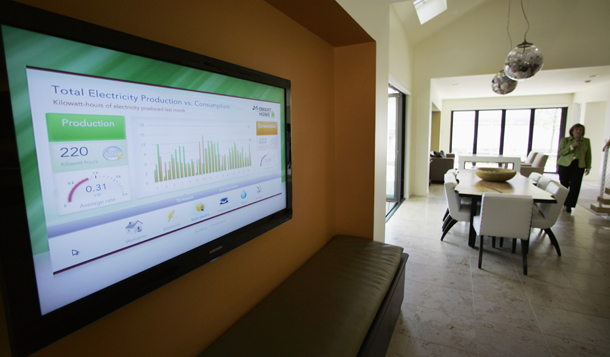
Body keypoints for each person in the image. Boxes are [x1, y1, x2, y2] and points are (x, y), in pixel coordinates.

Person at [557, 123, 591, 213]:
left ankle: (569, 205)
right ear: (572, 131)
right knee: (564, 184)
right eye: (576, 130)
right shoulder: (565, 140)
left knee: (575, 186)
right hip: (565, 165)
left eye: (580, 130)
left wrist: (588, 166)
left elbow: (588, 155)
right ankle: (562, 202)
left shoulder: (586, 141)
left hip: (579, 165)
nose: (578, 131)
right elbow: (561, 152)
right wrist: (572, 146)